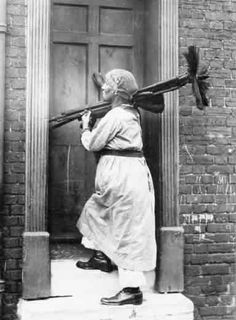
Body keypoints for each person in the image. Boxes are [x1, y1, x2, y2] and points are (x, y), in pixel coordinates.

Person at [76, 69, 157, 306]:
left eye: (107, 85)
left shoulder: (117, 116)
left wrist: (85, 126)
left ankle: (131, 290)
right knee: (98, 212)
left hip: (125, 180)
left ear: (118, 92)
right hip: (124, 178)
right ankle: (102, 256)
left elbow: (93, 143)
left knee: (126, 230)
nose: (103, 88)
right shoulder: (126, 112)